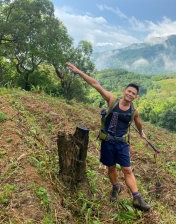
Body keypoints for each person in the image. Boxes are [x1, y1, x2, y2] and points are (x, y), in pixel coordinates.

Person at [66, 62, 151, 211]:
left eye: (133, 93)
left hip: (122, 144)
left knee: (127, 170)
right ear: (124, 91)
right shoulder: (112, 100)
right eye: (129, 91)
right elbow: (96, 84)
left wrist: (142, 132)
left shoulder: (133, 111)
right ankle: (115, 187)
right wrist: (78, 71)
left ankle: (137, 197)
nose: (130, 94)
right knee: (111, 168)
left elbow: (138, 123)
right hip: (107, 142)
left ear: (136, 97)